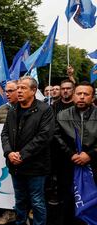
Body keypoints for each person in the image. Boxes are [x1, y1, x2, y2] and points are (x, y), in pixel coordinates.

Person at [1, 76, 54, 225]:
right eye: (18, 88)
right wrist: (9, 152)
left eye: (23, 88)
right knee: (20, 199)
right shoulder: (12, 110)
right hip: (15, 165)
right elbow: (5, 133)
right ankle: (20, 222)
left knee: (37, 201)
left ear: (34, 91)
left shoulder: (45, 110)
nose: (19, 91)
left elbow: (44, 136)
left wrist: (22, 155)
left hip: (36, 166)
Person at [55, 82, 97, 225]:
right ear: (74, 96)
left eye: (86, 94)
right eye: (79, 94)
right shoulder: (62, 115)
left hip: (93, 166)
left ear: (92, 97)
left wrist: (90, 154)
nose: (82, 97)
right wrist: (71, 154)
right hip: (69, 166)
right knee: (68, 202)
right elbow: (56, 137)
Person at [0, 81, 18, 224]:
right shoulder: (2, 108)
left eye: (10, 91)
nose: (7, 94)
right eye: (6, 91)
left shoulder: (29, 108)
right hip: (6, 152)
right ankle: (10, 211)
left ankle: (27, 211)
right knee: (7, 184)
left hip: (23, 153)